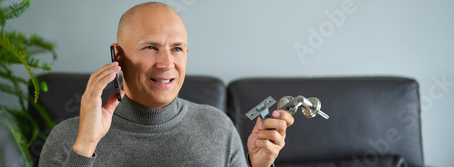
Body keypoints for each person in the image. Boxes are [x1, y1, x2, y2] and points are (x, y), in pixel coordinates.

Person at [39, 2, 294, 167]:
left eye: (177, 49)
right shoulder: (67, 139)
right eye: (151, 48)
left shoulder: (219, 128)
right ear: (117, 56)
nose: (166, 63)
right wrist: (85, 145)